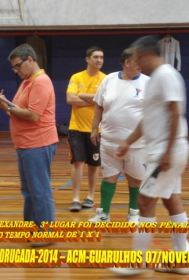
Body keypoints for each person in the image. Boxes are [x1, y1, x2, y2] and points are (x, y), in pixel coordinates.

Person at [110, 35, 189, 276]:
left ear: (145, 53)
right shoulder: (155, 79)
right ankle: (181, 261)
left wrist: (166, 153)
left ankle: (139, 262)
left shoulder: (166, 76)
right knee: (171, 200)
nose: (133, 61)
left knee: (144, 202)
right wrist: (128, 142)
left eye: (134, 56)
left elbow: (176, 113)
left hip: (167, 151)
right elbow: (149, 119)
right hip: (168, 150)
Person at [0, 43, 58, 247]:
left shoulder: (41, 82)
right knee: (29, 191)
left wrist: (6, 107)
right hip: (25, 144)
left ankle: (47, 232)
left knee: (40, 190)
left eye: (18, 66)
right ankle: (32, 228)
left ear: (30, 59)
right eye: (14, 68)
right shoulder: (28, 81)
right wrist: (4, 104)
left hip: (38, 143)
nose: (16, 71)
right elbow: (18, 110)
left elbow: (32, 115)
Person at [88, 48, 149, 224]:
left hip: (137, 145)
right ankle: (103, 214)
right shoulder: (109, 80)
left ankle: (134, 213)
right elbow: (99, 105)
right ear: (127, 63)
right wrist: (94, 129)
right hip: (109, 142)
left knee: (135, 179)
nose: (141, 65)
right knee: (109, 178)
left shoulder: (148, 83)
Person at [66, 46, 106, 212]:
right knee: (78, 162)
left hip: (96, 129)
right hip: (76, 128)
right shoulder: (76, 77)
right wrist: (94, 100)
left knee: (94, 164)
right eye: (95, 57)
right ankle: (75, 198)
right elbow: (70, 98)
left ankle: (90, 196)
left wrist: (81, 96)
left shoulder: (105, 79)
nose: (99, 60)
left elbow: (104, 100)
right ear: (87, 59)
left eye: (101, 57)